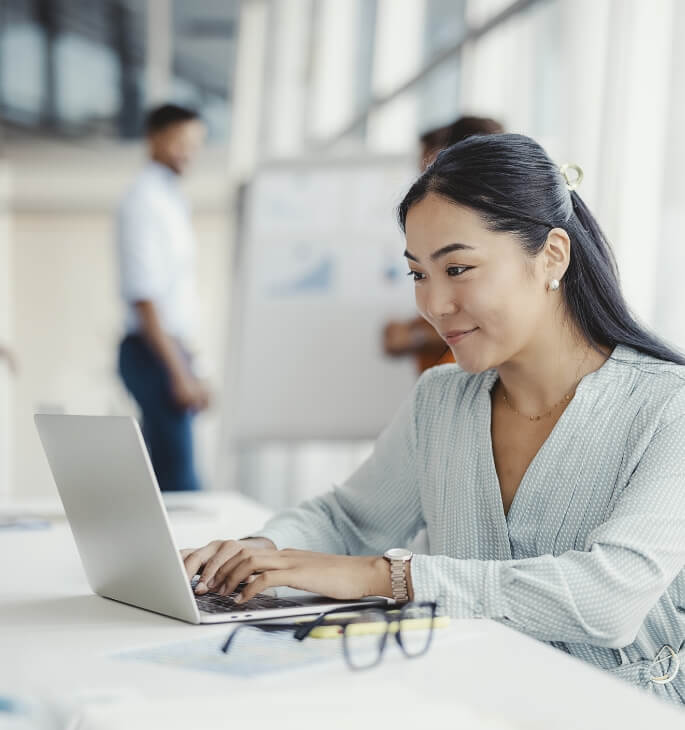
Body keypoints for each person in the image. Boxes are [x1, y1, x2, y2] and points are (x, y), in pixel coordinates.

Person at [182, 133, 685, 704]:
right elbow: (349, 520)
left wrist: (387, 577)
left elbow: (609, 600)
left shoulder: (669, 408)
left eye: (459, 268)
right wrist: (259, 550)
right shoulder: (443, 399)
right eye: (419, 274)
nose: (434, 305)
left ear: (552, 256)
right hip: (465, 703)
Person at [116, 104, 209, 492]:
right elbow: (147, 297)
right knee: (180, 483)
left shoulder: (170, 199)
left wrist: (193, 366)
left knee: (164, 478)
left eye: (196, 144)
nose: (188, 152)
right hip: (153, 352)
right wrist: (180, 372)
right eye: (180, 141)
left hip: (169, 351)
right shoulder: (144, 201)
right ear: (154, 138)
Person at [383, 115, 504, 374]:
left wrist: (414, 336)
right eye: (417, 274)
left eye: (429, 170)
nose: (424, 186)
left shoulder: (495, 235)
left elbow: (495, 317)